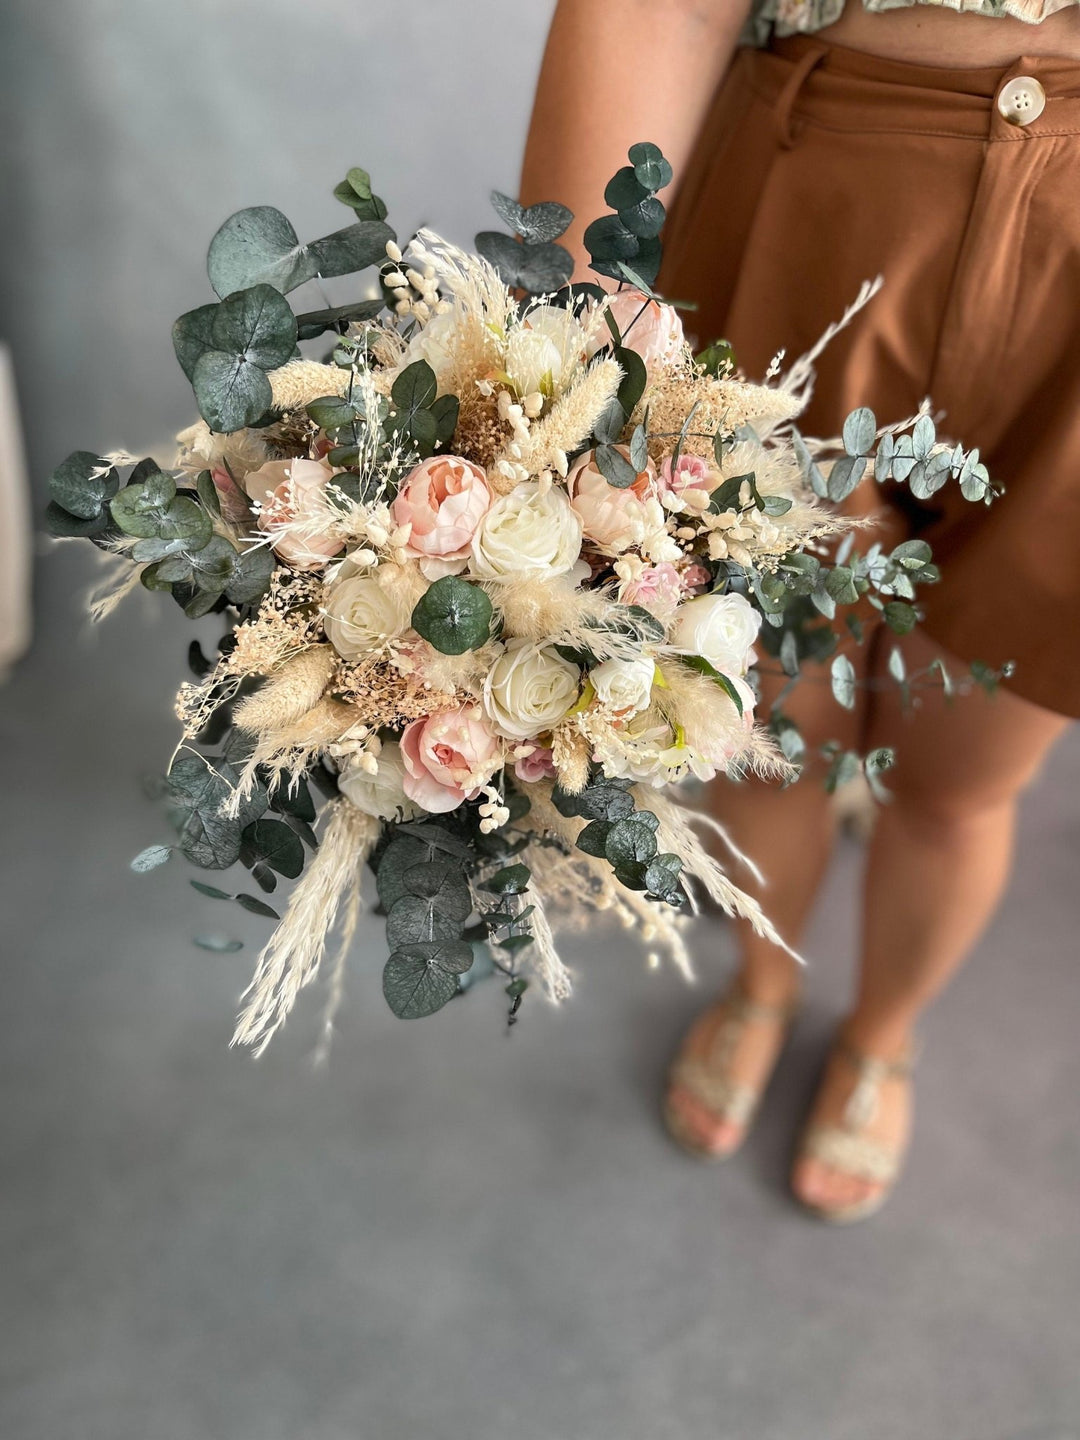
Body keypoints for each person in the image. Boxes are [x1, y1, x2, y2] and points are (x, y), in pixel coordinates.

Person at [520, 0, 1078, 1221]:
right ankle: (761, 991)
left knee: (963, 779)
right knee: (768, 721)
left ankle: (881, 1034)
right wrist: (569, 337)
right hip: (817, 192)